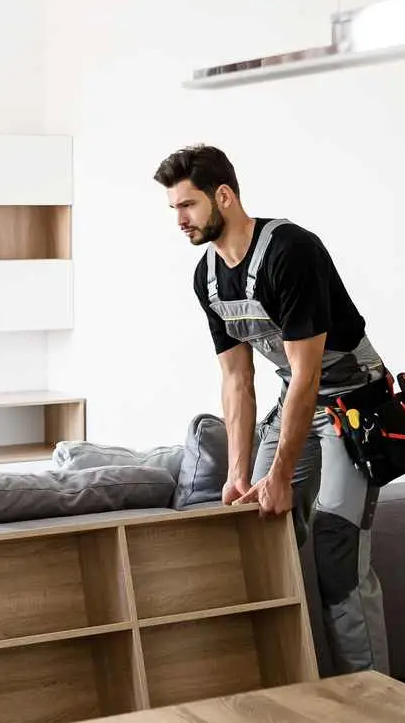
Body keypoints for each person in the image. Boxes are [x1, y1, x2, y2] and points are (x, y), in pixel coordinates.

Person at [155, 144, 388, 676]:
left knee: (338, 549)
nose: (179, 221)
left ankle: (374, 699)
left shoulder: (292, 250)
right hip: (298, 402)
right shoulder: (207, 278)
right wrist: (240, 474)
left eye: (187, 206)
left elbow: (309, 372)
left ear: (224, 196)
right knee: (255, 529)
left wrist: (282, 473)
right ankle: (285, 687)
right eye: (173, 210)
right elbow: (238, 379)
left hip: (352, 404)